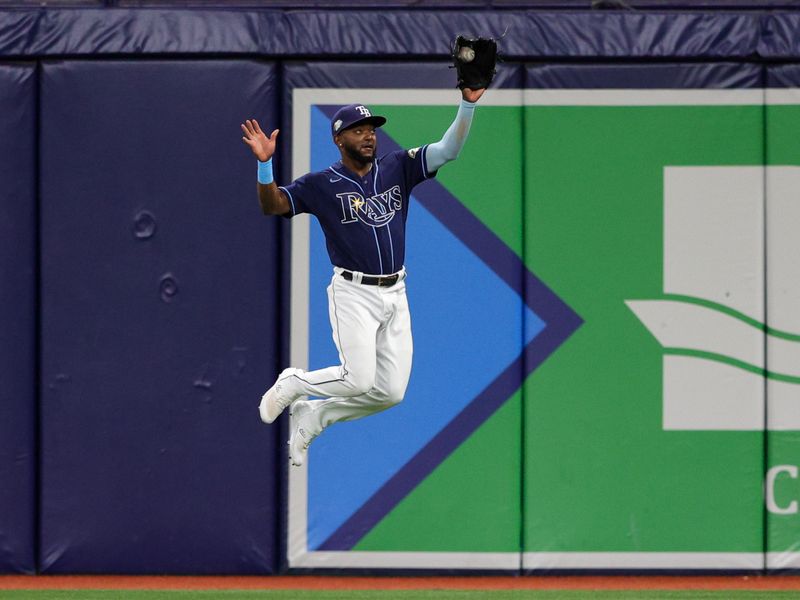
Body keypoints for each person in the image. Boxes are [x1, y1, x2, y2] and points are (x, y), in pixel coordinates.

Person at [241, 87, 485, 467]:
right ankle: (294, 382)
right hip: (353, 292)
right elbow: (273, 205)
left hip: (396, 291)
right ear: (339, 139)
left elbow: (448, 149)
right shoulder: (320, 184)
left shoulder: (396, 166)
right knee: (357, 380)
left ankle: (315, 416)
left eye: (371, 128)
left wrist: (467, 104)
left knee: (391, 392)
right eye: (358, 129)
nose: (369, 135)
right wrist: (264, 166)